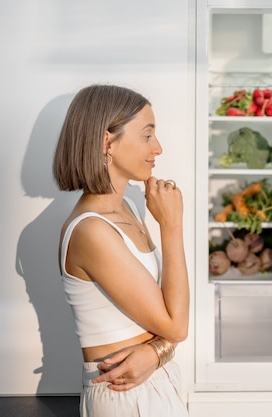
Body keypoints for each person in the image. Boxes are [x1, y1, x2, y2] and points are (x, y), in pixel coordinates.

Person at [52, 84, 189, 416]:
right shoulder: (91, 231)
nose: (158, 148)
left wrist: (158, 353)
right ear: (106, 142)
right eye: (147, 135)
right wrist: (171, 227)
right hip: (124, 393)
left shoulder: (129, 206)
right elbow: (176, 326)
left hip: (157, 381)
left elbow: (168, 317)